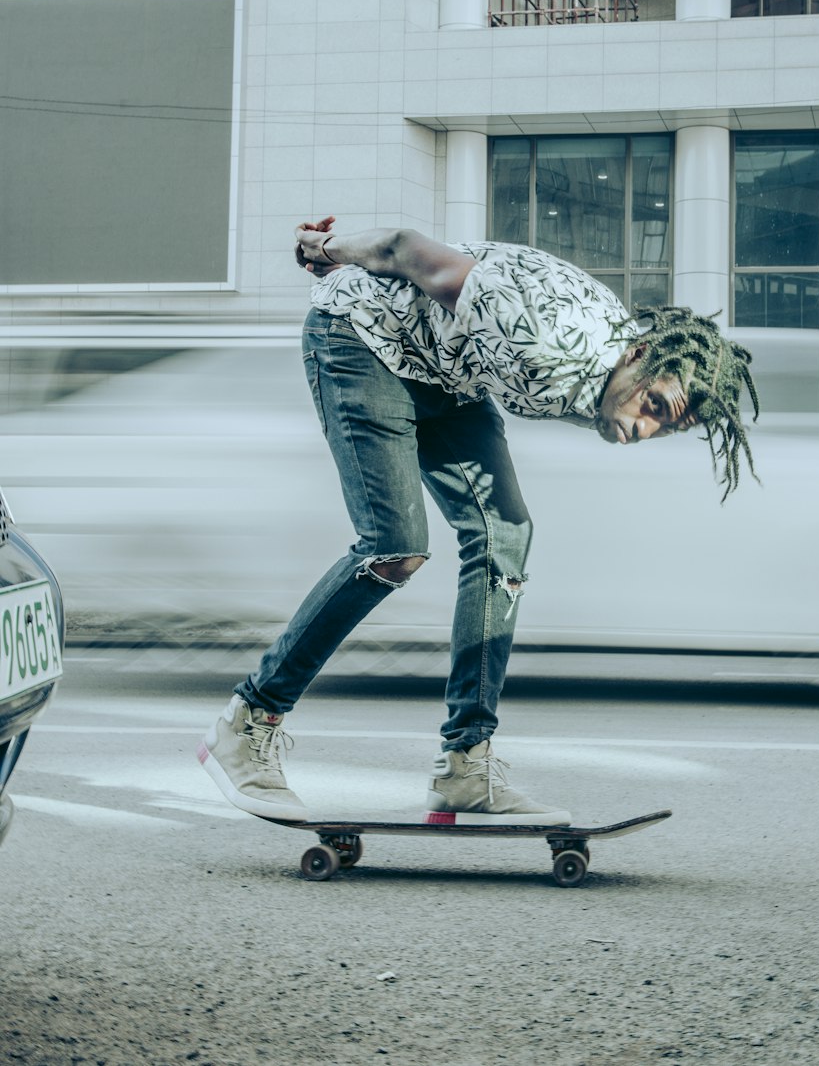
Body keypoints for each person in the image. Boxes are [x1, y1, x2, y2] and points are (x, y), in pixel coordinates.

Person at [198, 218, 759, 825]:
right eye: (652, 407)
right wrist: (326, 250)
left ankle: (465, 766)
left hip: (446, 370)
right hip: (359, 342)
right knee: (393, 548)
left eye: (665, 428)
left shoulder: (610, 373)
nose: (643, 430)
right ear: (641, 353)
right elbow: (405, 249)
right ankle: (250, 720)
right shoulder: (551, 337)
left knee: (505, 537)